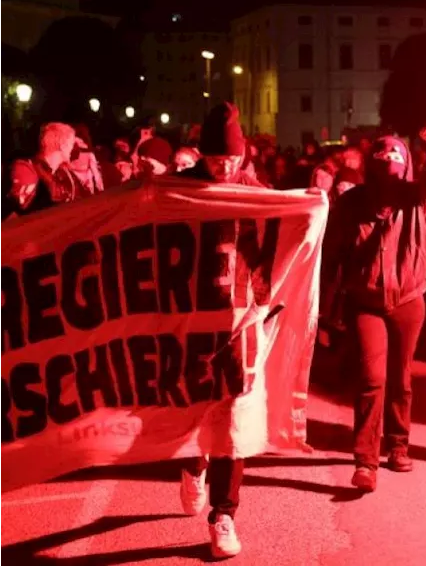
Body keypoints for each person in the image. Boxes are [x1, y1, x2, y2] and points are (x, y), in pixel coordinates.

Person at [323, 126, 426, 492]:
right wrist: (323, 306)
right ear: (371, 172)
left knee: (401, 378)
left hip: (408, 301)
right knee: (371, 378)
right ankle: (365, 461)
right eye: (382, 174)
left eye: (396, 174)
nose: (388, 185)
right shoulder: (350, 205)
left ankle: (398, 445)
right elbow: (331, 254)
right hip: (365, 304)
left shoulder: (416, 198)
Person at [176, 103, 265, 559]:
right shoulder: (181, 190)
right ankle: (193, 463)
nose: (225, 167)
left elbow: (273, 240)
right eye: (216, 161)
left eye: (232, 160)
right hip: (190, 321)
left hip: (239, 320)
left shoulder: (253, 189)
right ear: (201, 156)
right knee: (195, 409)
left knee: (234, 419)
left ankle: (224, 515)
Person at [6, 122, 88, 216]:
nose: (74, 148)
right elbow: (15, 214)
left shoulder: (63, 175)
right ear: (62, 144)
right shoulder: (28, 169)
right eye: (71, 143)